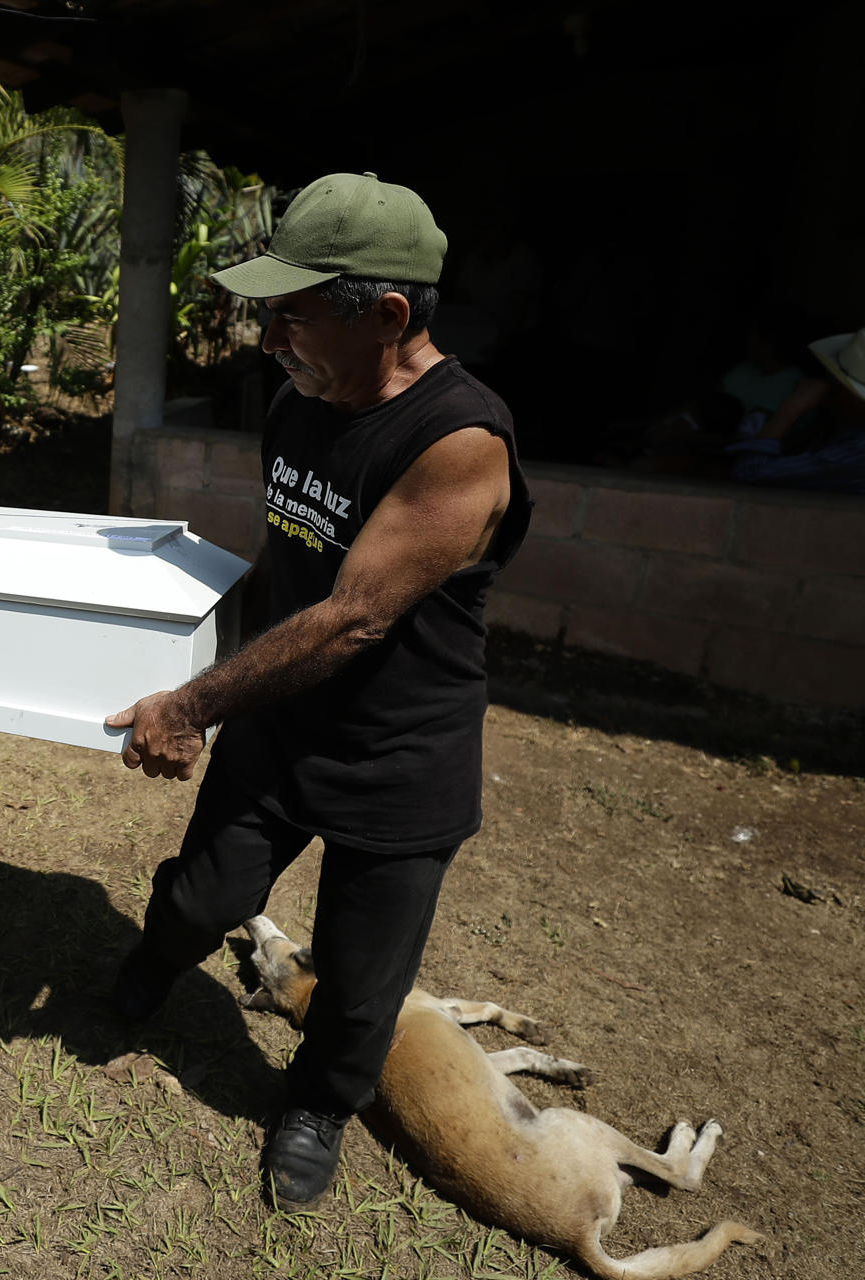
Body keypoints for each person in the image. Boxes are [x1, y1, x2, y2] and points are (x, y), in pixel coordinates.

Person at [104, 173, 531, 1210]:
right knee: (204, 892)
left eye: (291, 312)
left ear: (387, 315)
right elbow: (295, 561)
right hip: (281, 721)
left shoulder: (460, 440)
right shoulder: (304, 399)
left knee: (357, 970)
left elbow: (354, 616)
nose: (268, 337)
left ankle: (318, 1104)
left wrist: (192, 701)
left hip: (400, 752)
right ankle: (153, 966)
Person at [724, 324, 865, 495]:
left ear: (841, 391)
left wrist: (790, 408)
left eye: (830, 377)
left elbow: (748, 473)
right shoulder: (853, 429)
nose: (822, 380)